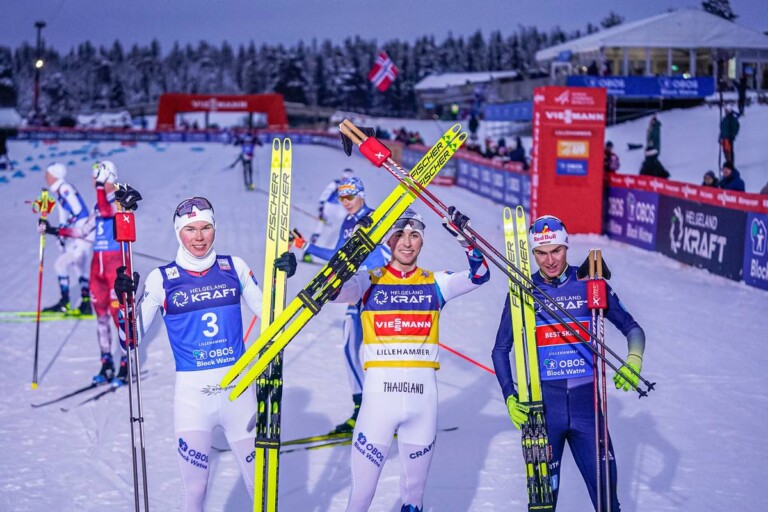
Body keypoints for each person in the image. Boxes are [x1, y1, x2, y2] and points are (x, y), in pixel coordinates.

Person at [114, 197, 297, 511]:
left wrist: (281, 280)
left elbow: (274, 319)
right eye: (190, 230)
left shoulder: (234, 267)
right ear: (178, 232)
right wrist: (124, 304)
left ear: (214, 229)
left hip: (238, 393)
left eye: (205, 228)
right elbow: (130, 340)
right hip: (193, 399)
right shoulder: (162, 279)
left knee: (261, 485)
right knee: (195, 490)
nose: (199, 237)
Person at [332, 207, 490, 511]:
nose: (407, 242)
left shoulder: (436, 282)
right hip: (378, 407)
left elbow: (480, 275)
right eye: (399, 235)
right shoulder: (367, 281)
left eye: (414, 235)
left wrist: (465, 238)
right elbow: (331, 290)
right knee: (360, 498)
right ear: (388, 241)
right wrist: (357, 245)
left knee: (414, 500)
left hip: (422, 407)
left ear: (422, 241)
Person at [491, 215, 646, 511]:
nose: (550, 261)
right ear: (533, 253)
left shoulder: (590, 284)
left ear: (566, 247)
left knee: (608, 504)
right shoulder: (523, 290)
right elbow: (500, 350)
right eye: (541, 253)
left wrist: (634, 360)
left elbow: (633, 329)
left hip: (588, 411)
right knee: (542, 506)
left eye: (556, 251)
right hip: (544, 412)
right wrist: (510, 396)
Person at [302, 176, 391, 433]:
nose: (345, 202)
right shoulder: (348, 221)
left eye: (350, 196)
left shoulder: (375, 216)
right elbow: (338, 255)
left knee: (380, 355)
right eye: (341, 198)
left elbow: (388, 254)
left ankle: (389, 412)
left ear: (361, 194)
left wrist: (372, 237)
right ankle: (360, 409)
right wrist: (306, 246)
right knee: (349, 348)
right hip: (357, 292)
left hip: (377, 292)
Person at [36, 163, 92, 314]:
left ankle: (69, 302)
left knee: (63, 264)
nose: (45, 177)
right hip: (77, 233)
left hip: (82, 233)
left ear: (55, 175)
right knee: (75, 266)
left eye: (48, 174)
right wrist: (59, 233)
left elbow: (78, 211)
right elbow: (63, 217)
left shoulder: (65, 188)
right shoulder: (60, 192)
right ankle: (81, 303)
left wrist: (57, 230)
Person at [305, 168, 355, 262]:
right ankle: (307, 252)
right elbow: (326, 192)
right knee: (319, 229)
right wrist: (322, 205)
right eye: (344, 178)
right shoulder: (336, 183)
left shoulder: (351, 187)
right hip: (329, 206)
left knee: (345, 227)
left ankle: (340, 254)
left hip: (339, 208)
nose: (345, 180)